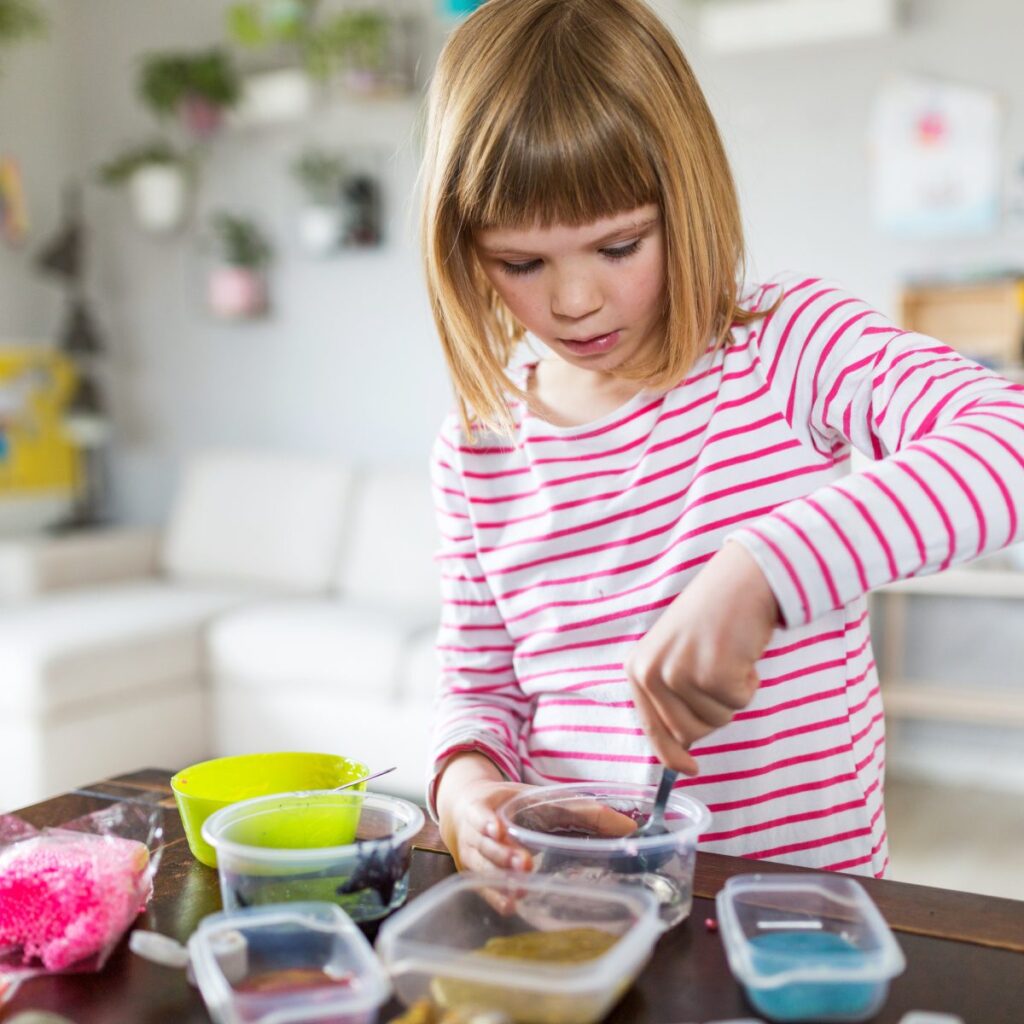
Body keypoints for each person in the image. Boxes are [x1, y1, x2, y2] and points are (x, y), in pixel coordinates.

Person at [420, 0, 1024, 880]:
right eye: (522, 264)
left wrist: (764, 571)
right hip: (583, 905)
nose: (576, 299)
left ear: (686, 200)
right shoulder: (476, 447)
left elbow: (1008, 439)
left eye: (620, 245)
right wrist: (466, 789)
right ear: (464, 255)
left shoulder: (786, 347)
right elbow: (479, 689)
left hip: (795, 911)